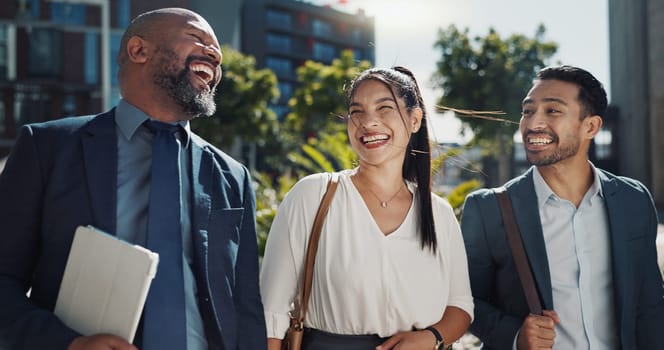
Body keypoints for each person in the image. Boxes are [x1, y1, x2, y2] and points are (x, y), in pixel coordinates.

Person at [0, 8, 266, 350]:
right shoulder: (47, 148)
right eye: (198, 38)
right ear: (139, 50)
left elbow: (245, 306)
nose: (215, 54)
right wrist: (68, 344)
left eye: (218, 53)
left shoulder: (233, 176)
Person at [260, 66, 473, 350]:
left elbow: (460, 305)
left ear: (414, 119)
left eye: (384, 108)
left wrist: (431, 338)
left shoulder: (439, 213)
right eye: (356, 111)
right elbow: (271, 311)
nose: (367, 121)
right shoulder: (314, 195)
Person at [461, 65, 664, 349]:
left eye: (553, 111)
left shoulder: (633, 199)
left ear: (590, 126)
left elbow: (650, 302)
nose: (533, 124)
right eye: (528, 111)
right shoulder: (488, 209)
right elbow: (465, 301)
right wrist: (516, 336)